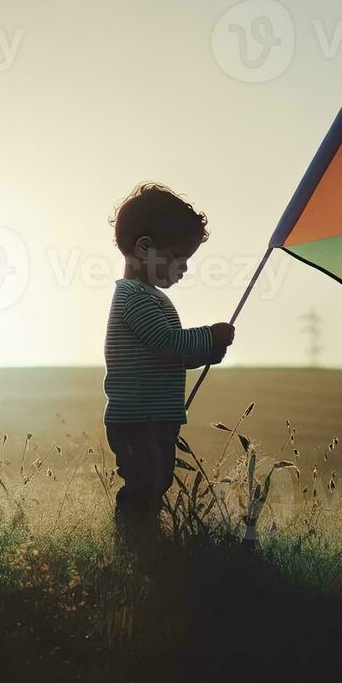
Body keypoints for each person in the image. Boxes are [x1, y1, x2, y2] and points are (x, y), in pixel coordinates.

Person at [103, 183, 235, 539]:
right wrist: (210, 335)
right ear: (145, 248)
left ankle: (143, 536)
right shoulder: (135, 297)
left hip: (152, 417)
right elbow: (168, 343)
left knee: (156, 480)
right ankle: (133, 539)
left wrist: (206, 353)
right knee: (145, 482)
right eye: (179, 258)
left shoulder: (146, 297)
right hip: (138, 420)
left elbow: (169, 356)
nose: (184, 268)